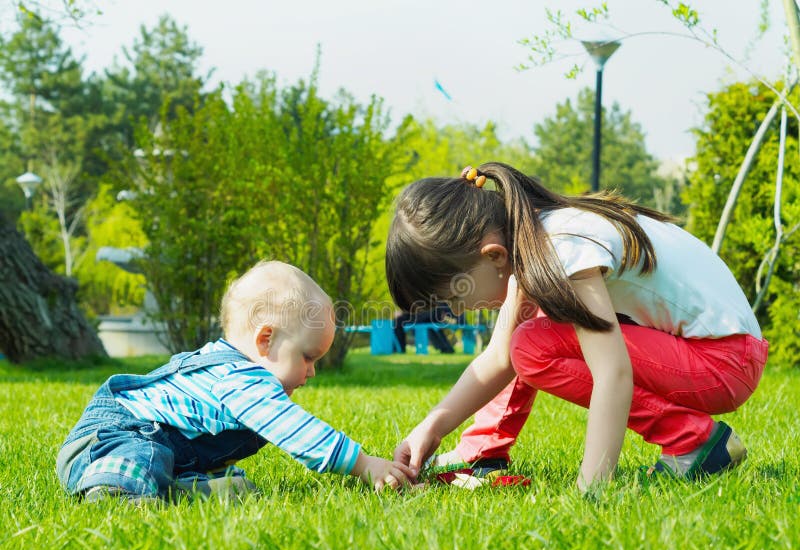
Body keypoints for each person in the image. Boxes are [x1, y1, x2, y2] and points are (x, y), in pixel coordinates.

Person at [386, 163, 768, 492]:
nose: (458, 312)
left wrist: (592, 487)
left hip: (725, 362)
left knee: (533, 344)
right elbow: (498, 357)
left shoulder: (562, 248)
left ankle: (693, 441)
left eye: (455, 298)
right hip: (718, 353)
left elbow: (612, 372)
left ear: (493, 255)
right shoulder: (533, 239)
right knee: (527, 338)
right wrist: (432, 427)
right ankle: (481, 448)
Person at [57, 260, 413, 502]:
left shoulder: (237, 371)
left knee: (163, 460)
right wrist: (363, 463)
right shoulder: (240, 379)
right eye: (307, 357)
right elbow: (295, 429)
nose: (311, 371)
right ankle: (114, 488)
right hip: (112, 438)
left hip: (162, 447)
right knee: (145, 454)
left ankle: (188, 488)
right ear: (266, 339)